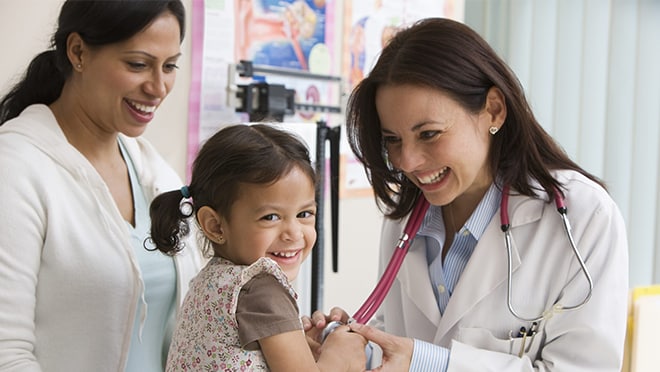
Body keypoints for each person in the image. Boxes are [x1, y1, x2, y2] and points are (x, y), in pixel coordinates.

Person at [303, 17, 629, 371]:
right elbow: (398, 342)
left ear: (493, 110)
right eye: (393, 140)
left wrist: (433, 363)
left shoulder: (581, 217)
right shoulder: (405, 222)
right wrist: (353, 346)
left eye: (428, 134)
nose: (407, 161)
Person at [0, 1, 203, 371]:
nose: (158, 87)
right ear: (77, 52)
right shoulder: (15, 167)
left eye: (170, 65)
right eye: (138, 64)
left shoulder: (153, 171)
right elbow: (6, 352)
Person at [149, 124, 367, 372]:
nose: (294, 233)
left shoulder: (212, 280)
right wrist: (342, 354)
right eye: (271, 217)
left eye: (305, 213)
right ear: (215, 226)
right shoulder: (262, 289)